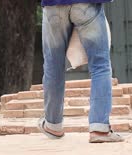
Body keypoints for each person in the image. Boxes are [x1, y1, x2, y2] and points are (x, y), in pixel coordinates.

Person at [38, 0, 123, 143]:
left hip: (53, 5)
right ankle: (99, 129)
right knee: (100, 64)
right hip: (87, 5)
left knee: (53, 65)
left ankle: (53, 125)